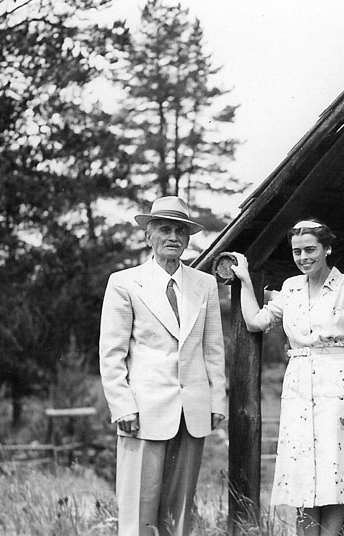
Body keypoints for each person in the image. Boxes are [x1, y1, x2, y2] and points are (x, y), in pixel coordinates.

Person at [230, 219, 344, 536]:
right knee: (303, 469)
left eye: (310, 249)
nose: (303, 257)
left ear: (327, 249)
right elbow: (256, 322)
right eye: (297, 251)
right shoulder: (291, 288)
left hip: (338, 381)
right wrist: (244, 281)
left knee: (336, 467)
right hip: (298, 385)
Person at [99, 196, 227, 536]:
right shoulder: (124, 282)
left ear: (188, 239)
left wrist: (217, 401)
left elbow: (213, 349)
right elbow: (111, 354)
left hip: (192, 409)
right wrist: (122, 405)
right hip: (142, 411)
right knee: (138, 510)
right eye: (165, 229)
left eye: (180, 231)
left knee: (180, 512)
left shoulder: (205, 285)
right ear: (148, 236)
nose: (173, 237)